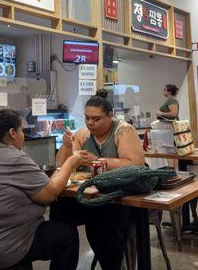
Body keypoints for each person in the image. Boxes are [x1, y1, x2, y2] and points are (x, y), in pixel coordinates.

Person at [0, 109, 82, 270]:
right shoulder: (14, 157)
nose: (23, 135)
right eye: (22, 131)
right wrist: (72, 161)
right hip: (5, 243)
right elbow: (49, 194)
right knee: (67, 235)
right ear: (12, 133)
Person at [52, 89, 144, 270]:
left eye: (96, 119)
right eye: (87, 118)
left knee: (103, 224)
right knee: (59, 209)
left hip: (119, 200)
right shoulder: (83, 134)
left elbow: (135, 164)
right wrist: (66, 146)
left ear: (110, 116)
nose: (90, 123)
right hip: (91, 196)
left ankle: (112, 265)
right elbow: (62, 166)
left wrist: (97, 160)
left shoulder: (123, 130)